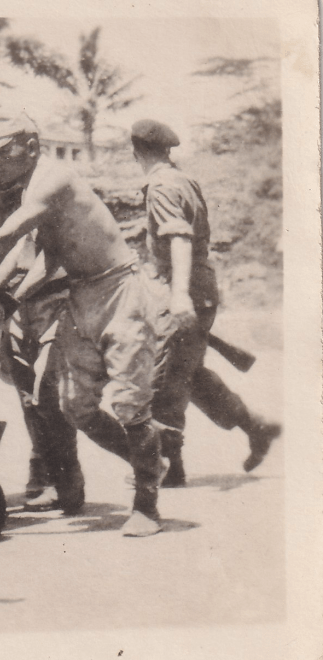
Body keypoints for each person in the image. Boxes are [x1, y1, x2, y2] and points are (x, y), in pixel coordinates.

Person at [0, 108, 166, 537]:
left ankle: (146, 504)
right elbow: (49, 252)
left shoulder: (52, 178)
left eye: (3, 153)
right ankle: (150, 459)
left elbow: (7, 236)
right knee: (73, 407)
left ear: (30, 148)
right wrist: (4, 290)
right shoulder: (27, 184)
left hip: (120, 291)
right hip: (83, 294)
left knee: (130, 404)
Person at [131, 119, 281, 482]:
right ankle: (256, 426)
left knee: (162, 375)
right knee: (189, 374)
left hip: (184, 289)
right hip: (200, 285)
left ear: (136, 152)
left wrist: (179, 294)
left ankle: (169, 466)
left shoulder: (161, 187)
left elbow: (180, 238)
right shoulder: (181, 179)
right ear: (167, 150)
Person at [0, 177, 84, 514]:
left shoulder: (50, 192)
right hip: (18, 306)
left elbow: (46, 261)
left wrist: (6, 291)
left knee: (49, 391)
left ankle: (66, 483)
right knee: (29, 397)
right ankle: (44, 476)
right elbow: (13, 251)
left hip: (54, 299)